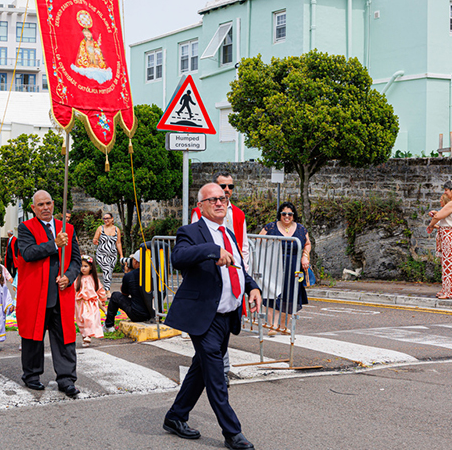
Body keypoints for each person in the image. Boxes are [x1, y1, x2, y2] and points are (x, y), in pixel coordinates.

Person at [163, 183, 262, 450]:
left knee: (201, 369)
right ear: (201, 206)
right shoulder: (191, 232)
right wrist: (211, 250)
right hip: (203, 317)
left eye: (223, 199)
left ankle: (175, 416)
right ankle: (232, 433)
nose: (220, 203)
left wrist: (252, 287)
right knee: (216, 375)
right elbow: (178, 258)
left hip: (226, 316)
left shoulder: (228, 233)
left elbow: (239, 269)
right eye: (213, 200)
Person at [16, 190, 81, 397]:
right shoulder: (26, 228)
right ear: (33, 208)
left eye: (48, 203)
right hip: (36, 293)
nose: (45, 208)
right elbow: (28, 253)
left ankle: (66, 379)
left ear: (53, 204)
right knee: (33, 336)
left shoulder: (67, 228)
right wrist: (54, 244)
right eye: (40, 205)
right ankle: (31, 375)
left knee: (65, 338)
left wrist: (69, 277)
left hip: (61, 294)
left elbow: (76, 260)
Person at [258, 202, 310, 336]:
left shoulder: (300, 229)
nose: (287, 216)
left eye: (290, 214)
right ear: (280, 214)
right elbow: (258, 241)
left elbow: (307, 244)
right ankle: (272, 326)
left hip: (294, 267)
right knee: (272, 294)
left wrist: (305, 256)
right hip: (274, 266)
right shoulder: (270, 227)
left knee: (290, 295)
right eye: (284, 213)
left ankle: (283, 326)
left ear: (294, 215)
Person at [427, 181, 452, 300]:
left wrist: (431, 225)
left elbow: (438, 216)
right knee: (447, 263)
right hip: (450, 234)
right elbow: (442, 215)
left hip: (450, 234)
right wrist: (436, 215)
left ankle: (450, 292)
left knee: (449, 264)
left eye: (446, 190)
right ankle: (447, 289)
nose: (445, 193)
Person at [104, 250, 151, 332]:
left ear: (135, 261)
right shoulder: (153, 273)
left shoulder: (130, 275)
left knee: (115, 296)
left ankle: (109, 325)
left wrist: (126, 274)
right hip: (153, 314)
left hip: (137, 315)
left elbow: (124, 293)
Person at [75, 255, 106, 347]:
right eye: (81, 266)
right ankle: (84, 337)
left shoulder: (93, 278)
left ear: (91, 267)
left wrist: (103, 299)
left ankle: (88, 336)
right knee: (81, 320)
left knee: (88, 318)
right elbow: (73, 289)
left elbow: (100, 289)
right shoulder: (78, 279)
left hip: (91, 303)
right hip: (80, 303)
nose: (83, 268)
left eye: (85, 266)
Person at [92, 212, 124, 291]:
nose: (105, 220)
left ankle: (103, 289)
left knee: (109, 272)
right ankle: (107, 290)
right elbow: (95, 239)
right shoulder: (100, 228)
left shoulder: (117, 230)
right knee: (106, 270)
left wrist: (121, 255)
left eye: (107, 218)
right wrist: (95, 241)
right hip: (101, 254)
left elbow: (118, 243)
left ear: (112, 219)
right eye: (104, 218)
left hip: (112, 255)